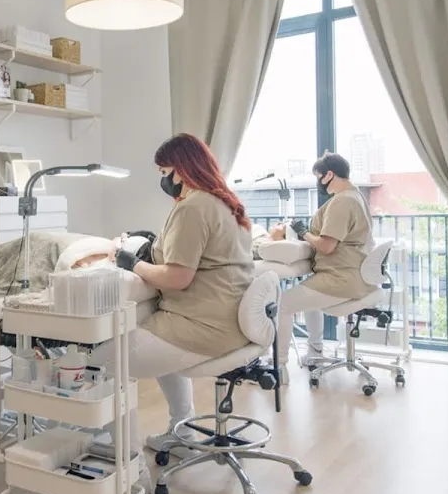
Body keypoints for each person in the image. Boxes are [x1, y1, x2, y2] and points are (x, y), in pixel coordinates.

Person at [91, 133, 254, 457]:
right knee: (159, 348)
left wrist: (131, 262)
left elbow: (178, 278)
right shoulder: (225, 203)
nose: (164, 180)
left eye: (165, 172)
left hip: (202, 326)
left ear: (181, 169)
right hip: (232, 322)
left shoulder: (192, 207)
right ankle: (183, 430)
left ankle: (126, 459)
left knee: (100, 362)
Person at [280, 152, 376, 359]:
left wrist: (303, 232)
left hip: (341, 278)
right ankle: (315, 351)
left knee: (282, 304)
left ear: (329, 174)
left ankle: (278, 365)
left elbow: (326, 246)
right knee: (308, 297)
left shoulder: (342, 201)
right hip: (355, 274)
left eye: (318, 177)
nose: (318, 183)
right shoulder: (356, 196)